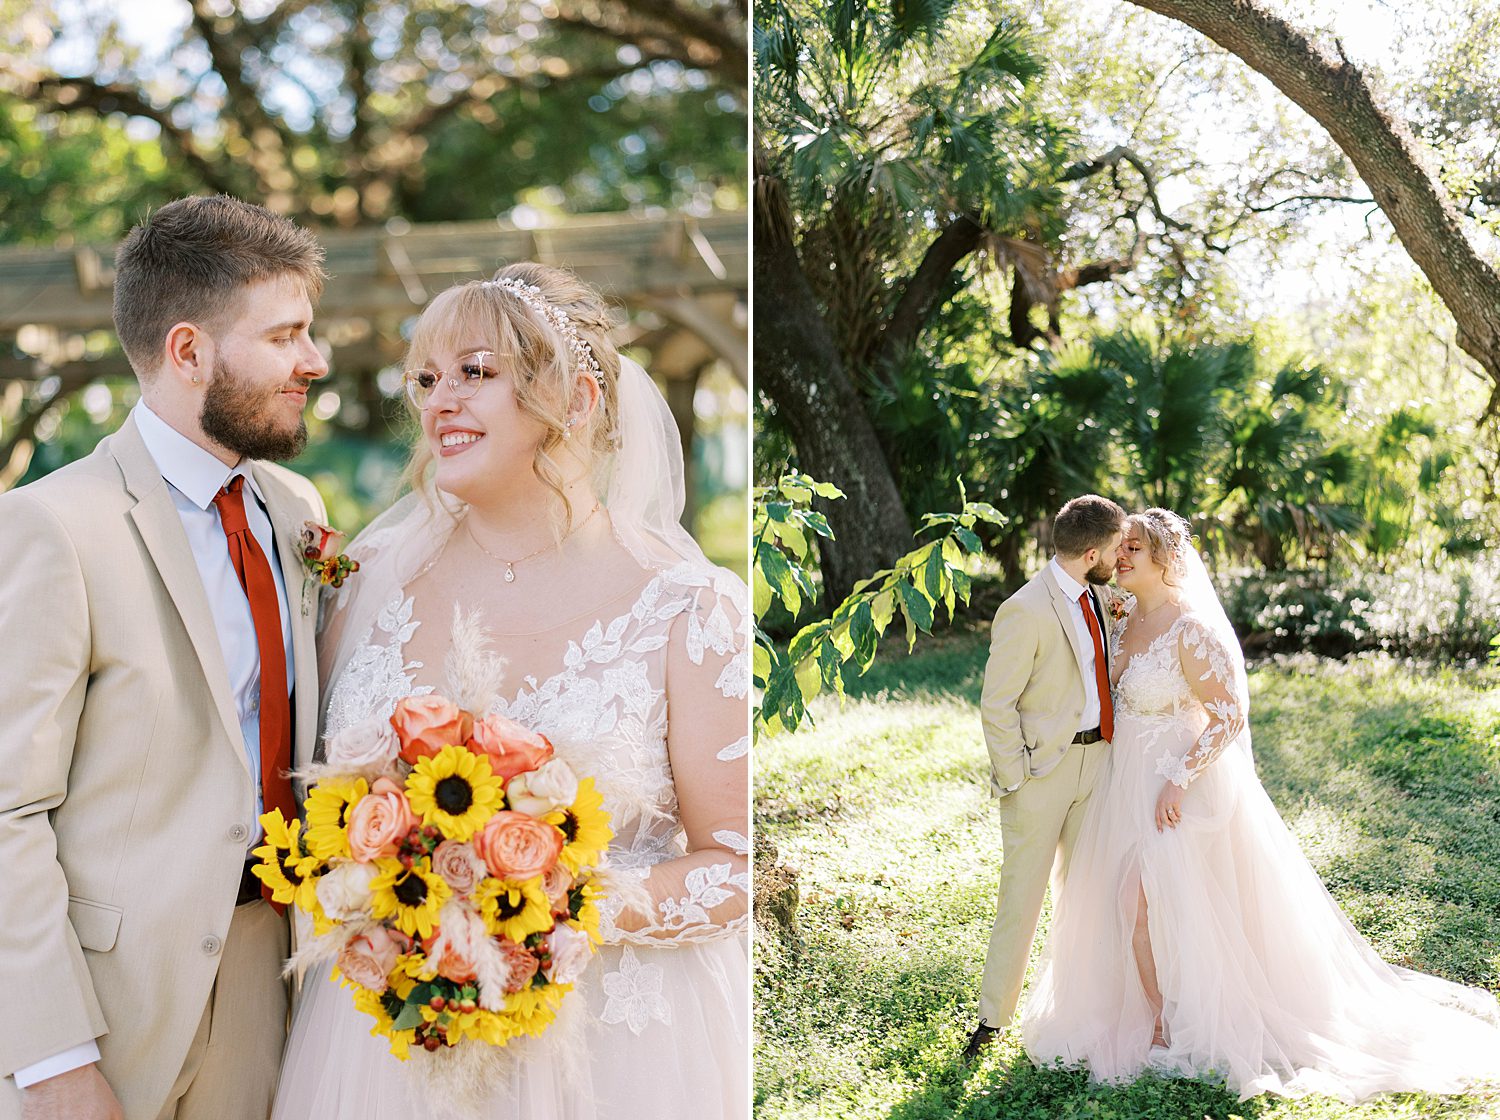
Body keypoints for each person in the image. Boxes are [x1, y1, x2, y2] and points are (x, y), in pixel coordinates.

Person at [272, 264, 749, 1118]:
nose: (439, 400)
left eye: (476, 373)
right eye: (427, 379)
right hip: (389, 1052)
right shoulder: (362, 583)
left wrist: (553, 903)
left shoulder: (690, 608)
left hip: (613, 1058)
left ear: (575, 401)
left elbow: (734, 867)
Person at [0, 195, 330, 1119]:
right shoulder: (53, 526)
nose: (315, 361)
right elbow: (6, 808)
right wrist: (54, 1060)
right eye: (287, 335)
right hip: (108, 1008)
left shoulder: (297, 508)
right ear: (189, 351)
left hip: (275, 972)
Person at [1022, 508, 1500, 1101]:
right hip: (1122, 781)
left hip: (1175, 785)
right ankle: (1150, 1010)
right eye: (1121, 548)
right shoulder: (1121, 619)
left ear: (1166, 560)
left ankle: (1169, 1025)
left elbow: (1228, 714)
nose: (1121, 558)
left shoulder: (1188, 630)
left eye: (1135, 550)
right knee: (1117, 902)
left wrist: (1178, 779)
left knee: (1141, 902)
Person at [962, 495, 1126, 1063]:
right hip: (1041, 775)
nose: (1118, 558)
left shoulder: (1099, 597)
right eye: (1113, 549)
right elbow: (996, 704)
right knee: (1022, 898)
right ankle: (991, 1019)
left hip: (1097, 763)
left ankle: (1085, 1008)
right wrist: (1017, 778)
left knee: (1088, 895)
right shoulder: (1024, 609)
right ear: (1090, 552)